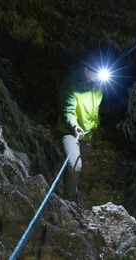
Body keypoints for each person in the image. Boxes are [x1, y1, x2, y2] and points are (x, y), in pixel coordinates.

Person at [56, 51, 104, 202]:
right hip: (70, 130)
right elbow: (68, 109)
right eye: (94, 74)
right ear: (85, 70)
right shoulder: (71, 82)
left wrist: (96, 123)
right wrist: (75, 126)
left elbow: (96, 106)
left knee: (78, 165)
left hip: (88, 133)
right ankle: (69, 200)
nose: (97, 78)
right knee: (75, 165)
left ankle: (72, 189)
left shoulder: (98, 83)